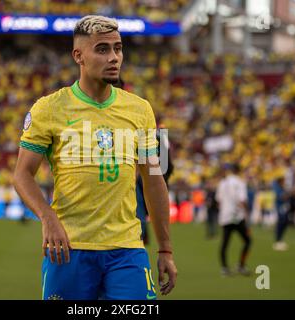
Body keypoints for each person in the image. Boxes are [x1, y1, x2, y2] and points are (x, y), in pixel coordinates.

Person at [14, 15, 177, 300]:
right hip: (69, 248)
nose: (114, 57)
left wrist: (165, 248)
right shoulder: (48, 109)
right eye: (102, 49)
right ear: (79, 56)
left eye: (118, 48)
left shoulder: (141, 109)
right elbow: (21, 174)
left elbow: (154, 179)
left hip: (127, 250)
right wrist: (47, 217)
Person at [216, 164, 252, 276]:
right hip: (237, 216)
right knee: (247, 241)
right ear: (238, 171)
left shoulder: (222, 183)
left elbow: (218, 200)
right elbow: (242, 200)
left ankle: (224, 268)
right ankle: (241, 265)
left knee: (225, 243)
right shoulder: (240, 183)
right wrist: (247, 213)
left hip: (225, 216)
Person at [273, 177, 289, 251]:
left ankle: (280, 239)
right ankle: (278, 240)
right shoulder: (277, 188)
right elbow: (282, 197)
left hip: (284, 208)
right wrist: (289, 194)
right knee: (281, 223)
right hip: (280, 208)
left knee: (284, 223)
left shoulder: (282, 188)